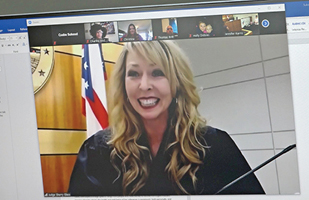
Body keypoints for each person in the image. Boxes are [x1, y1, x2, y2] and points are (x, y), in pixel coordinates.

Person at [68, 41, 265, 196]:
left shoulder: (215, 145)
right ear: (123, 85)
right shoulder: (97, 150)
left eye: (157, 73)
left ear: (177, 82)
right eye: (134, 74)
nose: (144, 85)